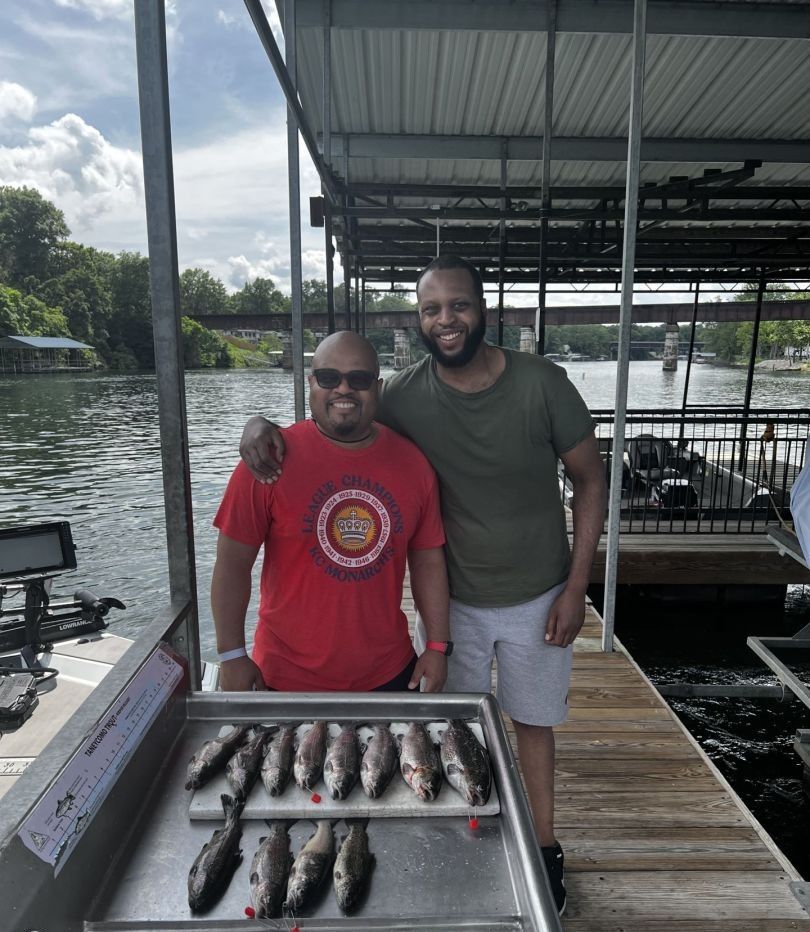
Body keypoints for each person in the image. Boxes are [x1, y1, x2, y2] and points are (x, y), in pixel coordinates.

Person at [239, 256, 607, 914]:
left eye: (458, 305)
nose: (446, 320)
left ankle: (545, 848)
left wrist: (578, 585)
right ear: (418, 318)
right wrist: (258, 427)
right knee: (450, 732)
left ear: (482, 308)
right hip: (456, 600)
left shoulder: (543, 384)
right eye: (432, 309)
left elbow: (591, 479)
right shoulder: (403, 392)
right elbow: (336, 414)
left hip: (539, 594)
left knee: (532, 723)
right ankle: (472, 836)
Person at [212, 330, 450, 695]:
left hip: (388, 674)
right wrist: (231, 656)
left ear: (378, 387)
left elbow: (428, 561)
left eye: (359, 379)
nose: (343, 389)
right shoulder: (266, 461)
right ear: (311, 383)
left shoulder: (414, 464)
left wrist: (436, 646)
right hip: (284, 677)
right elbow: (232, 564)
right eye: (328, 378)